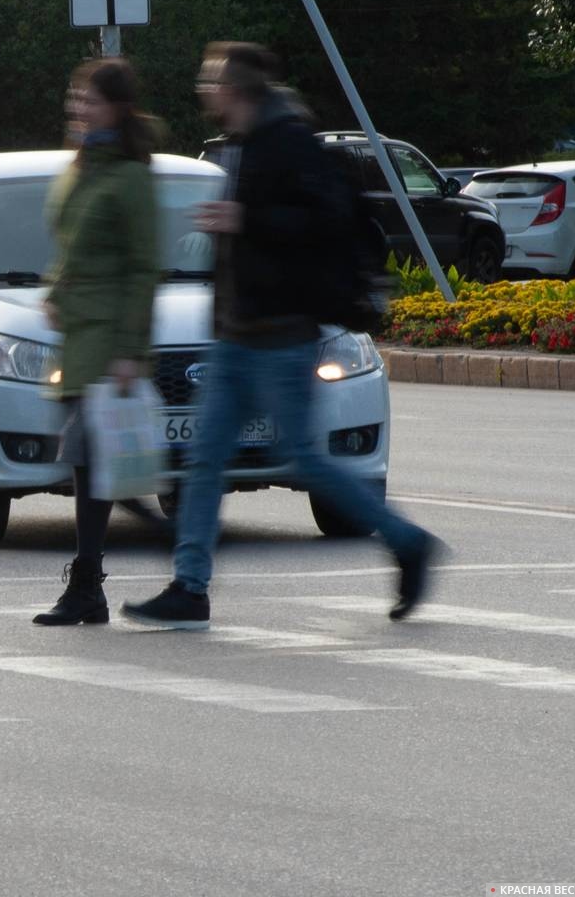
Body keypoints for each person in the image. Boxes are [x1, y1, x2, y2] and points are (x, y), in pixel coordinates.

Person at [122, 43, 440, 630]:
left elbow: (326, 222)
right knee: (204, 461)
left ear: (235, 90)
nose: (203, 91)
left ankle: (408, 541)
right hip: (237, 335)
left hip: (281, 336)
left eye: (210, 81)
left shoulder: (289, 141)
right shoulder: (242, 146)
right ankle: (190, 588)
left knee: (305, 461)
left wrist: (248, 221)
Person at [34, 58, 160, 627]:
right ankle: (93, 583)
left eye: (90, 99)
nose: (79, 108)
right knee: (87, 462)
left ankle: (93, 580)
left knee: (87, 454)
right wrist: (56, 288)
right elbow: (73, 245)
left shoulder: (131, 175)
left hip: (109, 340)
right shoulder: (81, 166)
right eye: (75, 98)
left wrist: (133, 349)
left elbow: (143, 267)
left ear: (117, 108)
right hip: (77, 335)